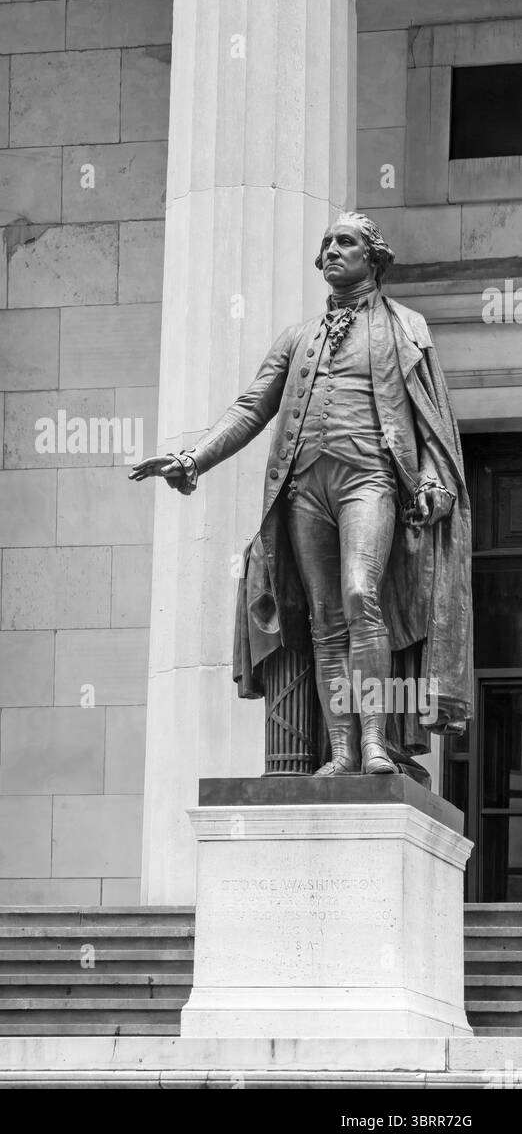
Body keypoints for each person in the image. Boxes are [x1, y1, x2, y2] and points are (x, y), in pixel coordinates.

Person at [129, 213, 473, 775]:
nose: (332, 250)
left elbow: (431, 416)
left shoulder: (406, 325)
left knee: (362, 594)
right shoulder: (297, 337)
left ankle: (373, 742)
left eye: (346, 242)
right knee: (324, 616)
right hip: (303, 488)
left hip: (371, 478)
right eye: (327, 243)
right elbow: (252, 406)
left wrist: (433, 478)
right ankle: (340, 752)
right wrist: (193, 457)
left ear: (373, 256)